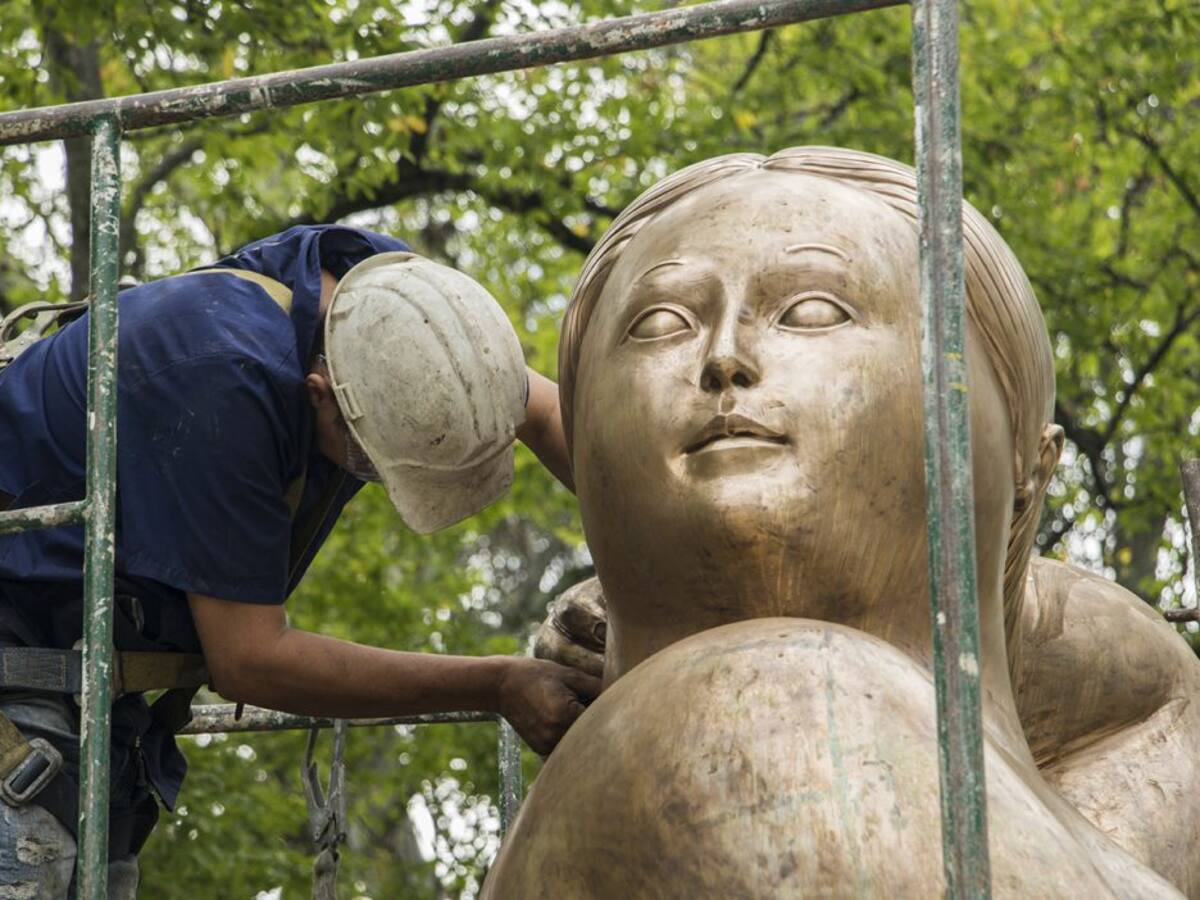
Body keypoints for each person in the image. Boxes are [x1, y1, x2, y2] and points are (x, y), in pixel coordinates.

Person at [484, 148, 1186, 897]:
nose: (725, 358)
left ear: (1027, 460)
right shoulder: (754, 709)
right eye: (662, 324)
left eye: (813, 313)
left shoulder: (1138, 747)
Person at [0, 224, 599, 896]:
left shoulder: (401, 306)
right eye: (372, 463)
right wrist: (497, 683)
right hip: (20, 654)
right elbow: (251, 659)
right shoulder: (223, 385)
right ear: (319, 391)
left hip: (93, 688)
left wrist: (656, 573)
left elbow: (545, 412)